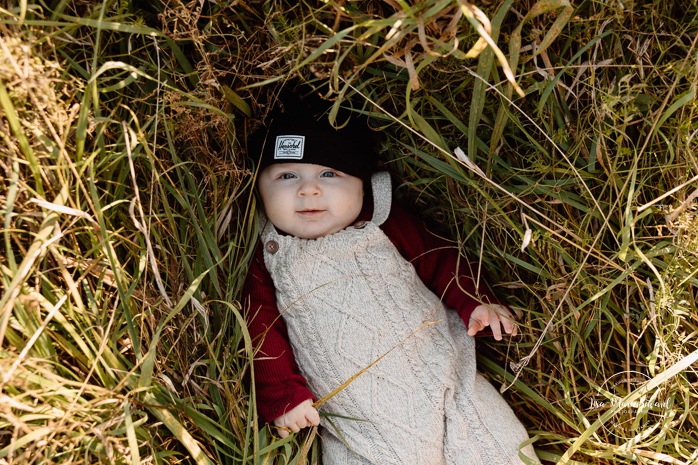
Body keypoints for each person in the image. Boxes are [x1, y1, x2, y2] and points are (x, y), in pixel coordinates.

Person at [242, 103, 539, 464]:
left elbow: (440, 259)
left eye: (330, 174)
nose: (309, 191)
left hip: (448, 383)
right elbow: (259, 329)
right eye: (287, 176)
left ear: (364, 187)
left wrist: (476, 301)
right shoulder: (270, 257)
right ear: (259, 189)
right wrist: (284, 395)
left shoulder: (383, 226)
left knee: (495, 443)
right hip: (357, 425)